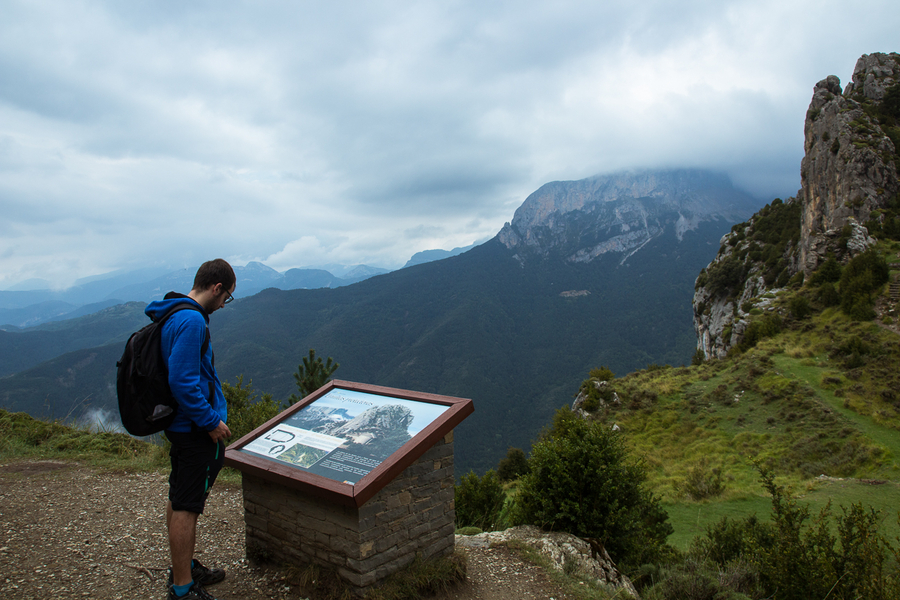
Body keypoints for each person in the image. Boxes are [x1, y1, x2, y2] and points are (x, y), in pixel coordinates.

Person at [145, 259, 235, 600]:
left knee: (178, 495)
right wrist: (210, 421)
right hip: (194, 428)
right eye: (227, 296)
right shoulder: (192, 320)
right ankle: (183, 588)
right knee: (187, 505)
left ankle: (181, 568)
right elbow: (182, 381)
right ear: (216, 288)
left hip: (179, 425)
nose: (225, 303)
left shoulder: (170, 312)